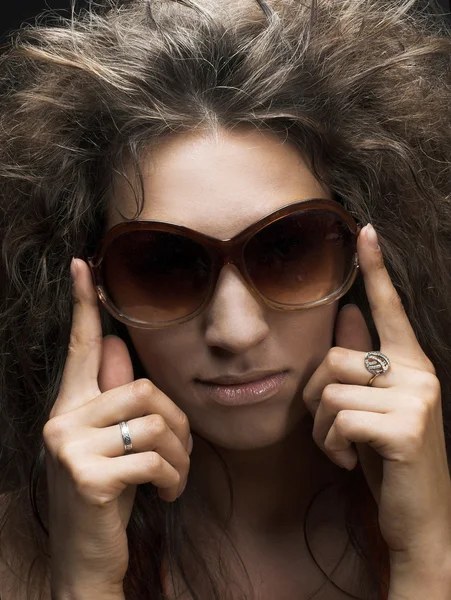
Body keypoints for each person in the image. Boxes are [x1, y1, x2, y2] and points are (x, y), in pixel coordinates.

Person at [1, 0, 451, 598]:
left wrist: (427, 555)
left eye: (288, 250)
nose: (235, 332)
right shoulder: (14, 554)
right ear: (89, 289)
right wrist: (83, 579)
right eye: (162, 265)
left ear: (372, 256)